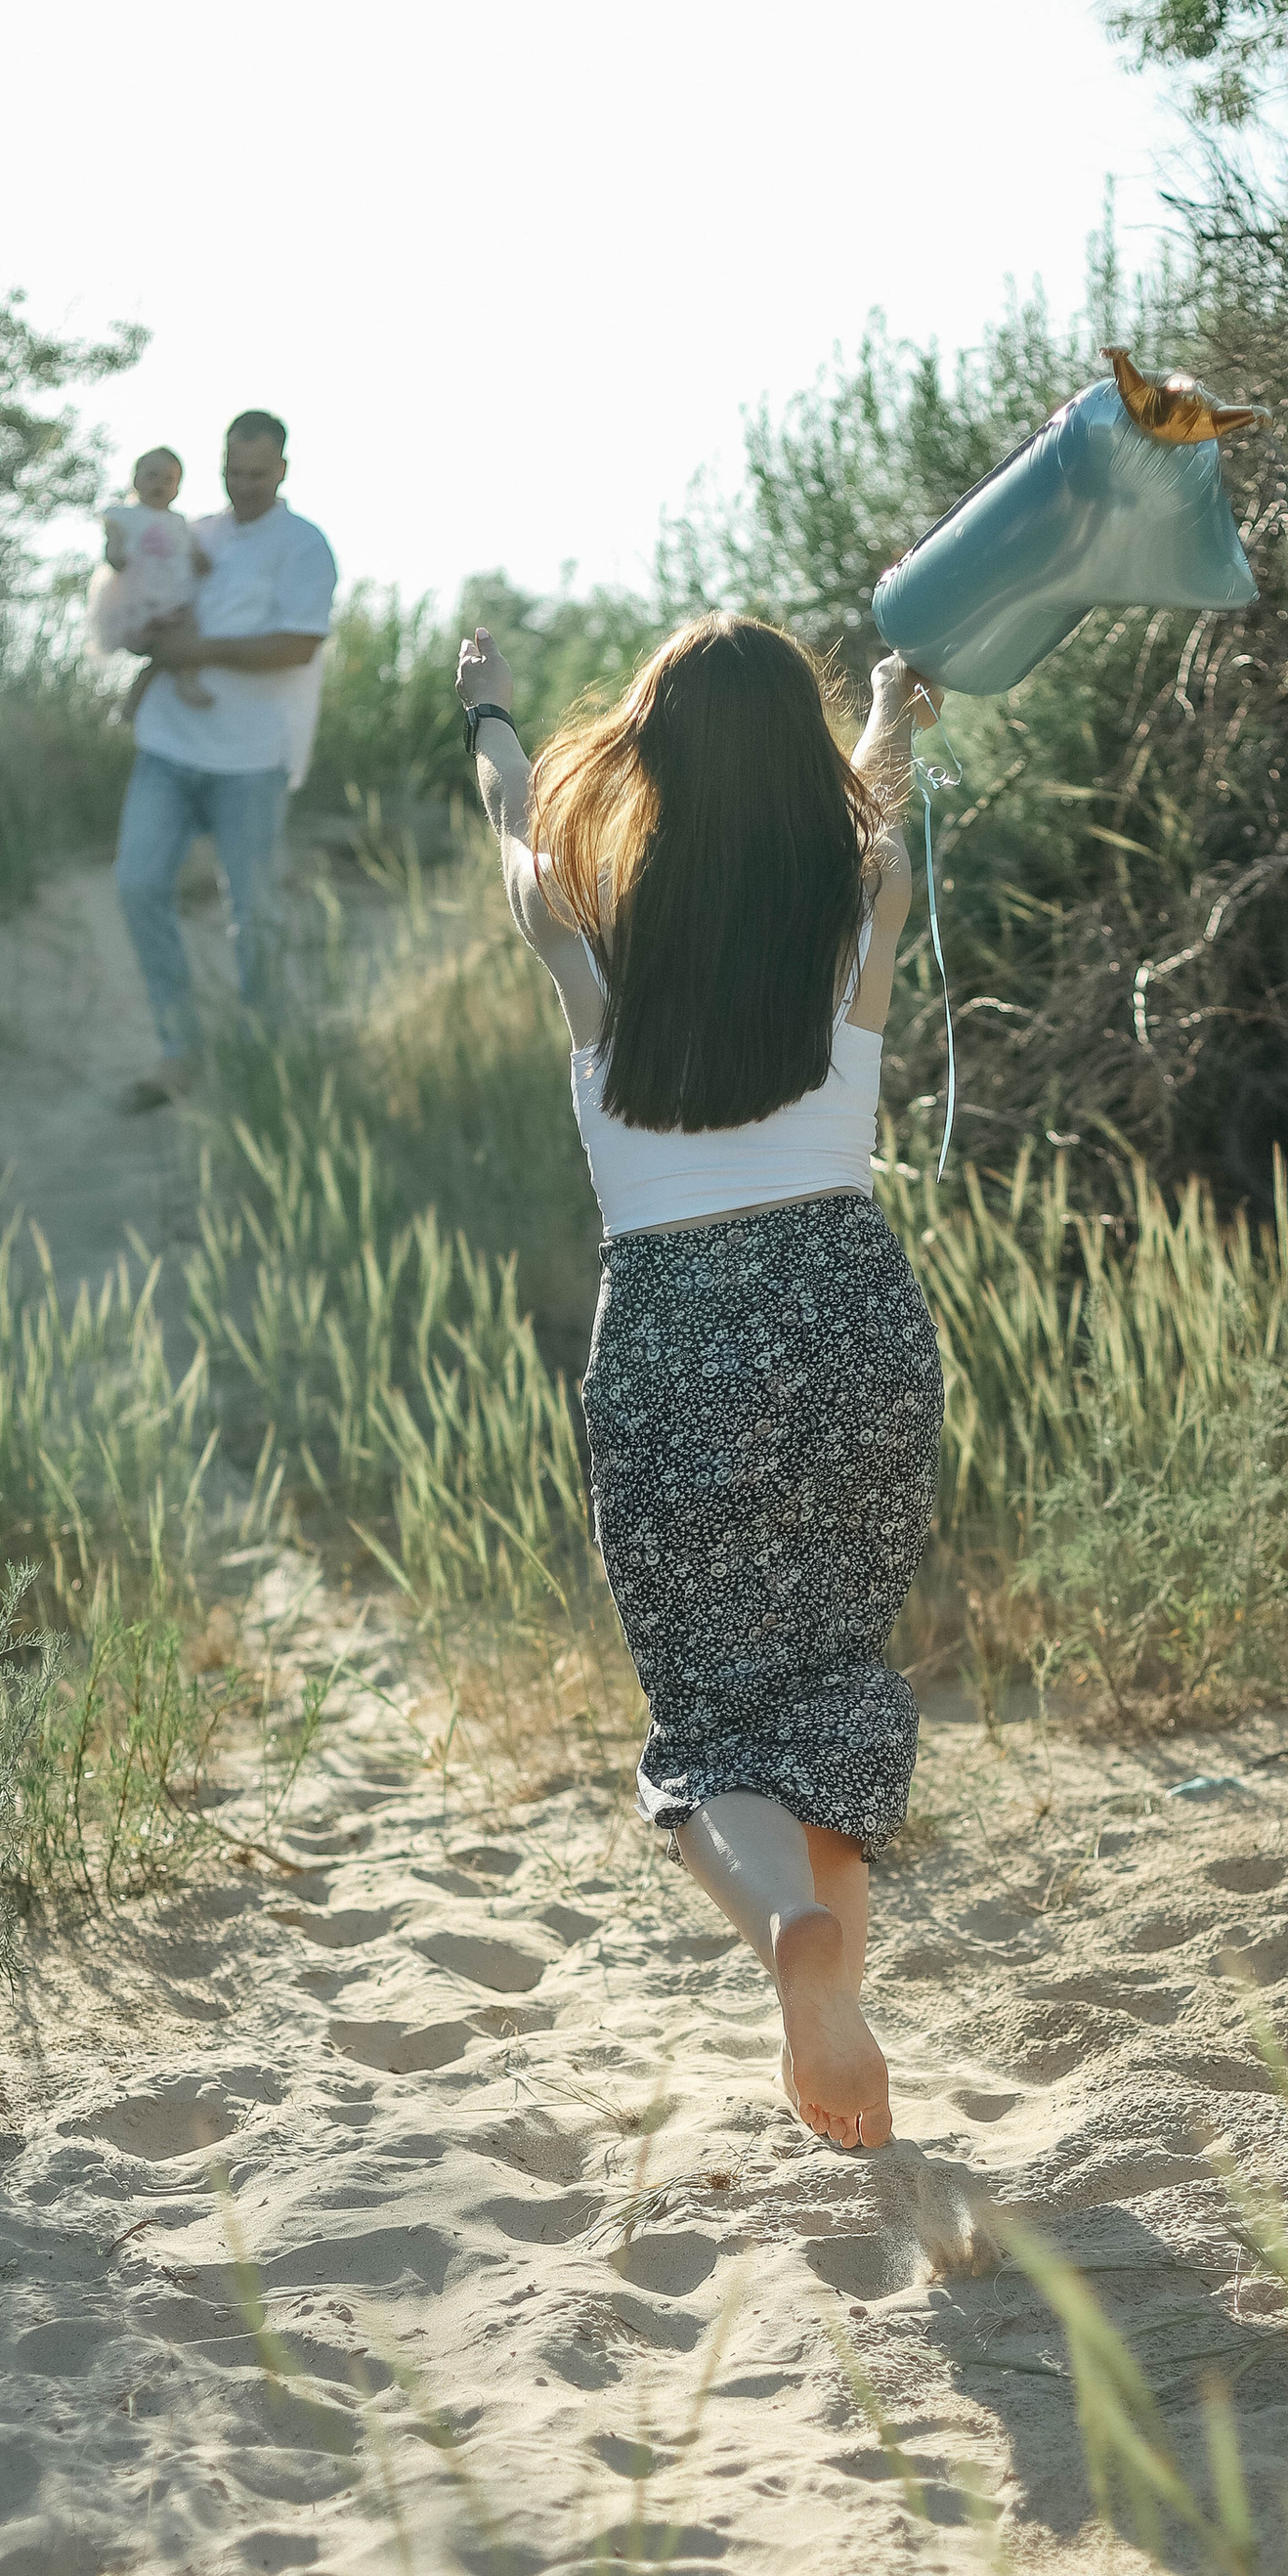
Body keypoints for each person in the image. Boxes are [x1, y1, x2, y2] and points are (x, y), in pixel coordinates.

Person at [456, 611, 943, 2154]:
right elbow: (874, 807)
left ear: (649, 765)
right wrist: (884, 709)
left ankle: (791, 1952)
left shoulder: (592, 956)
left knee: (714, 1725)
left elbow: (516, 827)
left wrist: (487, 717)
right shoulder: (863, 902)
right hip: (850, 1314)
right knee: (831, 1690)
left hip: (674, 1330)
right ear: (801, 772)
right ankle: (835, 2012)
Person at [101, 409, 337, 1105]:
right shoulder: (192, 531)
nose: (245, 485)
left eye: (258, 474)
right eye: (234, 472)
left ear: (284, 470)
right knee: (138, 887)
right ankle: (179, 1050)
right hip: (168, 747)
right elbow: (145, 600)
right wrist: (141, 633)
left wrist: (195, 651)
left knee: (254, 913)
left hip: (252, 759)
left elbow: (297, 644)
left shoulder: (304, 545)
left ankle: (259, 1053)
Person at [95, 446, 214, 708]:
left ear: (178, 488)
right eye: (152, 476)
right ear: (136, 480)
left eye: (168, 479)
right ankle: (159, 682)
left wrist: (200, 559)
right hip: (136, 596)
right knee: (159, 643)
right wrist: (115, 553)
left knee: (186, 634)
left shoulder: (179, 522)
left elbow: (192, 551)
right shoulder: (124, 516)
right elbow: (113, 544)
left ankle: (166, 682)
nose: (159, 484)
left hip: (172, 595)